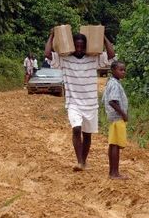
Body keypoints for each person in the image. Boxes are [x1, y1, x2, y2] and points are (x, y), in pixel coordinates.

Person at [45, 29, 115, 171]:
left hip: (90, 103)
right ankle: (79, 161)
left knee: (87, 135)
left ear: (86, 46)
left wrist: (103, 36)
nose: (79, 49)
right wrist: (52, 35)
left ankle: (83, 161)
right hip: (73, 103)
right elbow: (47, 54)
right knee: (76, 129)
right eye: (77, 46)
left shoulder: (93, 58)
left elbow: (111, 55)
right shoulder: (65, 59)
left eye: (82, 46)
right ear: (72, 46)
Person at [102, 61, 129, 179]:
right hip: (117, 118)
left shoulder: (112, 82)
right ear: (113, 70)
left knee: (113, 144)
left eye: (124, 70)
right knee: (116, 145)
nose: (123, 72)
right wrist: (123, 114)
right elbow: (112, 101)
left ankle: (112, 172)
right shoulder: (114, 84)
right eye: (120, 70)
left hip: (114, 118)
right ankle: (114, 173)